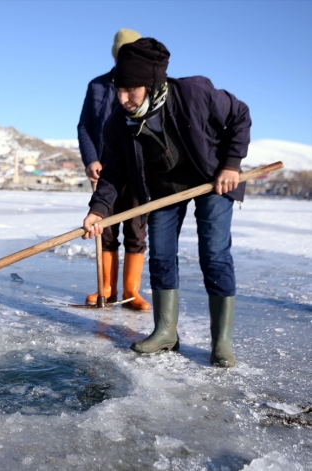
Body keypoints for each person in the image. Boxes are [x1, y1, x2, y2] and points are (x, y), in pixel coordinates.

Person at [82, 38, 250, 367]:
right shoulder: (118, 121)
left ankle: (222, 342)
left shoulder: (194, 94)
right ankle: (165, 332)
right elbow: (113, 172)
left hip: (212, 180)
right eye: (119, 89)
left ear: (153, 83)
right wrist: (98, 210)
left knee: (214, 255)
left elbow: (239, 116)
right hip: (162, 189)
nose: (124, 98)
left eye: (132, 90)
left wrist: (231, 164)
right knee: (160, 255)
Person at [77, 28, 151, 311]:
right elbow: (84, 125)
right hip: (104, 169)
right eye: (122, 53)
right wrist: (91, 159)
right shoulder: (97, 85)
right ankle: (106, 288)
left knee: (136, 229)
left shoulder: (146, 85)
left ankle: (131, 292)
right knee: (103, 227)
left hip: (135, 167)